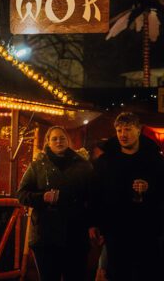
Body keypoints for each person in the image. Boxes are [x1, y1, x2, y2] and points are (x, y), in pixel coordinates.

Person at [88, 112, 164, 281]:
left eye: (128, 129)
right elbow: (95, 193)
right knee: (118, 273)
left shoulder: (154, 159)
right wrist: (93, 222)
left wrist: (150, 187)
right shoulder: (106, 161)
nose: (123, 134)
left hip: (147, 229)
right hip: (116, 230)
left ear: (138, 130)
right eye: (119, 130)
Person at [17, 126, 92, 281]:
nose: (59, 142)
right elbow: (22, 194)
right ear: (48, 142)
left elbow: (93, 196)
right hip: (45, 236)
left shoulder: (83, 166)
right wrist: (42, 197)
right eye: (55, 139)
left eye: (62, 138)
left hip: (75, 235)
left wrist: (92, 223)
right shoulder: (37, 166)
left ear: (68, 141)